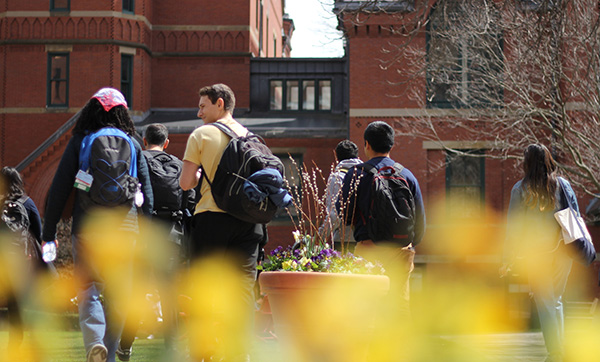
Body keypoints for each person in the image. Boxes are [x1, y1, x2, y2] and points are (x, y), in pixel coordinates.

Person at [42, 88, 153, 362]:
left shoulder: (80, 140)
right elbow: (147, 196)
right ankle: (110, 354)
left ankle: (94, 343)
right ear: (123, 113)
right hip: (126, 231)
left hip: (88, 227)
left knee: (88, 288)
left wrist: (49, 231)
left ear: (90, 111)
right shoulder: (133, 143)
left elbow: (58, 189)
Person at [180, 83, 264, 362]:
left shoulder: (201, 135)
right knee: (242, 288)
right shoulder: (250, 136)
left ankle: (204, 351)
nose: (198, 112)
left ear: (219, 103)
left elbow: (185, 183)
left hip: (212, 218)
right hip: (249, 222)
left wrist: (203, 171)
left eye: (203, 106)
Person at [117, 123, 195, 361]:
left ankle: (126, 345)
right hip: (171, 235)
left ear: (144, 140)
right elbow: (189, 200)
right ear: (167, 142)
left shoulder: (138, 161)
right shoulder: (179, 165)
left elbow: (127, 194)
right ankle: (172, 349)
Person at [338, 121, 426, 320]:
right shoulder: (407, 175)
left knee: (366, 308)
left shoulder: (356, 175)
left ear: (367, 144)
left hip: (369, 249)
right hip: (400, 250)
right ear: (391, 145)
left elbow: (344, 214)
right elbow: (420, 223)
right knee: (399, 307)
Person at [500, 144, 576, 362]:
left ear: (527, 163)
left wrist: (507, 259)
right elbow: (576, 216)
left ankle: (556, 353)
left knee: (546, 303)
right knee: (555, 300)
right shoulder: (563, 185)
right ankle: (559, 352)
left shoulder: (521, 189)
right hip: (564, 251)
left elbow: (514, 228)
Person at [0, 167, 48, 355]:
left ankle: (14, 345)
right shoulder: (27, 203)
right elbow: (38, 233)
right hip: (24, 264)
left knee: (14, 308)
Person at [319, 140, 362, 252]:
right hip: (366, 240)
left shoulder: (337, 177)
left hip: (344, 240)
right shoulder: (367, 174)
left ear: (336, 157)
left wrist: (320, 237)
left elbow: (333, 214)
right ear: (357, 155)